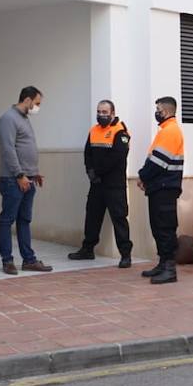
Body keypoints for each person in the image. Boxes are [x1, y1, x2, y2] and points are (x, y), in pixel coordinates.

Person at [68, 100, 133, 268]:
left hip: (114, 185)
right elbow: (87, 152)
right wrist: (89, 171)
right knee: (92, 216)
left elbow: (117, 157)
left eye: (105, 112)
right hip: (96, 184)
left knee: (119, 218)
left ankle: (125, 254)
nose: (101, 115)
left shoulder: (120, 132)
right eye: (99, 111)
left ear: (112, 113)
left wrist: (98, 172)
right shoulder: (94, 130)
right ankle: (87, 249)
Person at [0, 86, 53, 275]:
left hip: (27, 179)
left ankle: (29, 260)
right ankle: (7, 261)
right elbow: (8, 149)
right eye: (37, 103)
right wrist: (19, 175)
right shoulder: (8, 118)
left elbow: (24, 148)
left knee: (24, 220)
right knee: (7, 220)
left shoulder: (24, 119)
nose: (38, 107)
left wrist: (33, 173)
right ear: (27, 100)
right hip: (14, 180)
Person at [137, 96, 183, 285]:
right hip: (160, 187)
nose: (156, 112)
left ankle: (170, 269)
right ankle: (163, 264)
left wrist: (142, 176)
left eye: (157, 109)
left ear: (164, 111)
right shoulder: (165, 130)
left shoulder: (170, 131)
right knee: (158, 227)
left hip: (165, 187)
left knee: (165, 228)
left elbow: (157, 162)